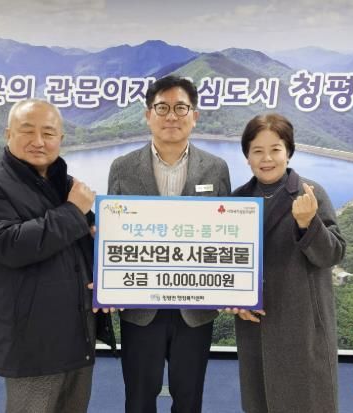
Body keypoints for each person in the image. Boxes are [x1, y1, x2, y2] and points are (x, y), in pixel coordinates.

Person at [0, 99, 114, 413]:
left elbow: (80, 245)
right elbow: (11, 245)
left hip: (77, 332)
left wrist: (105, 280)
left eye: (48, 133)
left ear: (60, 138)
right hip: (32, 340)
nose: (38, 141)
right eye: (27, 131)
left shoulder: (67, 185)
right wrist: (73, 211)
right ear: (8, 134)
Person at [107, 75, 231, 413]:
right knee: (138, 398)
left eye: (180, 108)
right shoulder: (122, 168)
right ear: (148, 115)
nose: (171, 116)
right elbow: (113, 232)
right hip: (139, 307)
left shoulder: (216, 168)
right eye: (162, 108)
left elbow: (226, 232)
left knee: (189, 399)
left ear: (195, 116)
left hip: (196, 309)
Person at [231, 113, 346, 412]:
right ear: (247, 156)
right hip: (255, 324)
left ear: (289, 152)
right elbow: (226, 263)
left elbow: (333, 254)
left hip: (303, 325)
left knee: (306, 402)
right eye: (257, 150)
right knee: (260, 402)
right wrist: (233, 301)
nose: (267, 158)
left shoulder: (310, 193)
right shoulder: (236, 200)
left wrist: (309, 223)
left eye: (275, 149)